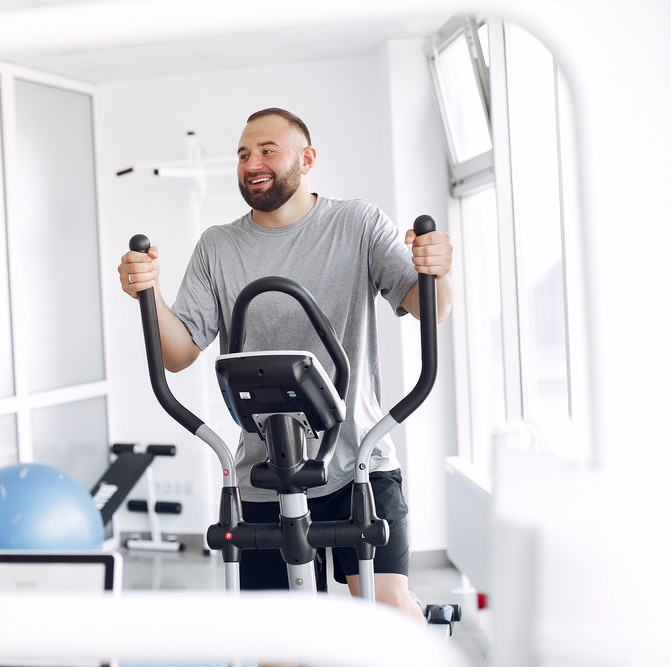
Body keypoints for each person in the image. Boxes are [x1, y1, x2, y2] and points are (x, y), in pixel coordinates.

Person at [118, 108, 453, 623]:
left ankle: (417, 621)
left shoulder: (357, 222)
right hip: (263, 474)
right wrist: (149, 294)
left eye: (267, 150)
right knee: (278, 643)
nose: (252, 162)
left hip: (356, 460)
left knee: (387, 615)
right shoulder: (218, 245)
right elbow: (179, 353)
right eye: (243, 154)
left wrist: (436, 271)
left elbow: (429, 303)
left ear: (307, 158)